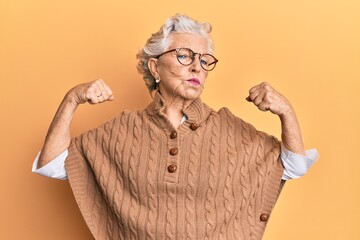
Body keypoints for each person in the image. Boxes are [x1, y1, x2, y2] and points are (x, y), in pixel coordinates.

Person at [33, 14, 318, 240]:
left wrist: (286, 111)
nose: (197, 67)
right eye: (185, 55)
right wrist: (72, 99)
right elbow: (52, 164)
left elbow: (293, 165)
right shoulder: (121, 130)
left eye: (204, 60)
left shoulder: (228, 128)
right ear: (155, 68)